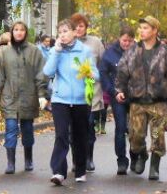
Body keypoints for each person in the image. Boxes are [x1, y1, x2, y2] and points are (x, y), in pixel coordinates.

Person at [116, 16, 167, 181]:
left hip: (158, 101)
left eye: (145, 28)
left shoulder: (165, 52)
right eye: (141, 28)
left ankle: (154, 167)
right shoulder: (132, 50)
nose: (142, 31)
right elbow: (122, 71)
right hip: (137, 101)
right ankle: (142, 154)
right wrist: (119, 90)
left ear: (154, 31)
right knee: (135, 137)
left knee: (157, 135)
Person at [43, 19, 99, 185]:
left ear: (75, 32)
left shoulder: (85, 51)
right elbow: (48, 71)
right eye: (60, 32)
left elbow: (96, 74)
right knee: (61, 135)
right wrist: (57, 52)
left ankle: (80, 170)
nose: (63, 35)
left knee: (80, 136)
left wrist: (89, 74)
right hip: (60, 99)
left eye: (66, 31)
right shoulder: (56, 50)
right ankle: (59, 171)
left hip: (81, 100)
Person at [0, 22, 47, 174]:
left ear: (26, 32)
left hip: (29, 96)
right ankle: (11, 162)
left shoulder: (34, 52)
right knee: (10, 129)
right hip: (10, 97)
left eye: (22, 30)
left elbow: (41, 74)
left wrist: (42, 94)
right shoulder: (4, 53)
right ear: (12, 32)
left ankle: (28, 159)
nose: (19, 32)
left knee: (27, 129)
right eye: (16, 30)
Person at [70, 13, 105, 173]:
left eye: (81, 25)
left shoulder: (95, 43)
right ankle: (76, 160)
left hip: (91, 92)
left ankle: (88, 157)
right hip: (71, 93)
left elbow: (103, 65)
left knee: (89, 126)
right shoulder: (66, 42)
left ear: (86, 27)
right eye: (75, 25)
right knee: (74, 129)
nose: (78, 28)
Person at [99, 25, 135, 175]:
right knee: (120, 128)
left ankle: (136, 155)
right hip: (118, 96)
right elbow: (103, 74)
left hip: (135, 97)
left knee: (135, 129)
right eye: (124, 40)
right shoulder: (110, 53)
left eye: (130, 41)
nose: (126, 44)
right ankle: (121, 160)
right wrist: (113, 92)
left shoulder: (138, 52)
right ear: (120, 38)